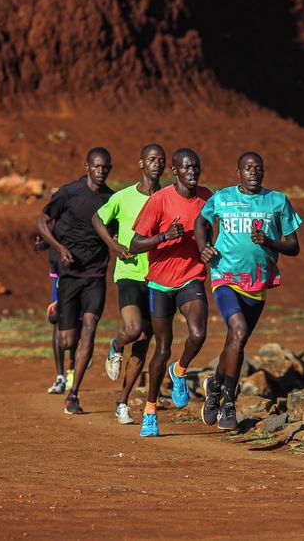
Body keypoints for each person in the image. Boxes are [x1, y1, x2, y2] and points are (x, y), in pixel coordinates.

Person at [196, 152, 302, 431]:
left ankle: (215, 386)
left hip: (257, 282)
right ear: (238, 172)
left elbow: (294, 247)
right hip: (224, 276)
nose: (254, 172)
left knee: (236, 341)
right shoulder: (222, 197)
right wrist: (203, 246)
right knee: (238, 331)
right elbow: (201, 221)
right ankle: (229, 403)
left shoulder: (277, 201)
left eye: (258, 168)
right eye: (248, 168)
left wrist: (268, 240)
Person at [128, 149, 213, 438]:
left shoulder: (206, 197)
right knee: (161, 349)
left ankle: (180, 369)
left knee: (199, 334)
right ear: (175, 170)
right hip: (160, 283)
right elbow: (136, 243)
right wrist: (164, 236)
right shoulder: (159, 200)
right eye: (187, 167)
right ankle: (150, 410)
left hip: (192, 277)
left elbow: (216, 228)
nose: (193, 172)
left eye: (196, 167)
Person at [36, 148, 115, 415]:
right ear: (87, 166)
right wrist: (59, 249)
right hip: (69, 273)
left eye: (105, 167)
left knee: (90, 327)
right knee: (67, 340)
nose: (101, 171)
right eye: (96, 166)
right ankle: (59, 312)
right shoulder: (69, 193)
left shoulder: (111, 199)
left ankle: (73, 394)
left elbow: (116, 231)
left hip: (95, 274)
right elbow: (42, 222)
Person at [94, 144, 166, 425]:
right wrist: (114, 245)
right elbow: (97, 219)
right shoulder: (123, 197)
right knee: (134, 329)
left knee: (145, 342)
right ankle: (115, 344)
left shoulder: (167, 197)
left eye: (161, 160)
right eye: (151, 159)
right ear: (141, 163)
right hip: (129, 272)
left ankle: (122, 402)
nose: (156, 164)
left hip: (159, 276)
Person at [35, 234, 72, 394]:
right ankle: (60, 377)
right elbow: (45, 237)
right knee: (56, 318)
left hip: (85, 272)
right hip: (60, 272)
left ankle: (74, 367)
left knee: (81, 322)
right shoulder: (54, 212)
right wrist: (43, 243)